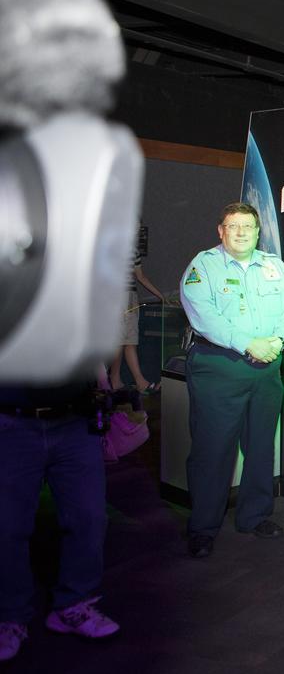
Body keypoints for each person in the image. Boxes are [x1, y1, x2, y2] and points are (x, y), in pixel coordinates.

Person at [179, 202, 284, 559]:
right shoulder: (203, 267)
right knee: (212, 451)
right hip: (220, 367)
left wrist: (277, 342)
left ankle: (255, 516)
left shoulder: (273, 266)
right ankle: (203, 528)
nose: (242, 232)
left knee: (262, 447)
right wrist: (248, 343)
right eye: (233, 226)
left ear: (257, 231)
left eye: (248, 226)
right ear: (221, 231)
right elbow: (205, 317)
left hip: (266, 369)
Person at [0, 376, 121, 662]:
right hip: (11, 422)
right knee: (8, 526)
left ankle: (74, 605)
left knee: (88, 518)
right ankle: (10, 617)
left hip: (75, 420)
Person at [109, 224, 165, 394]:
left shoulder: (133, 251)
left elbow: (140, 276)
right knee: (121, 340)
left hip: (131, 297)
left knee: (129, 340)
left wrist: (160, 296)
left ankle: (122, 380)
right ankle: (118, 379)